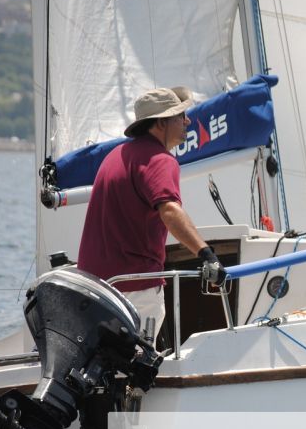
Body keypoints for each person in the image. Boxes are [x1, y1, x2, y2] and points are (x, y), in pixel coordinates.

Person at [78, 87, 226, 340]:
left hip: (94, 287)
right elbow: (169, 210)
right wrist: (207, 255)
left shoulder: (115, 157)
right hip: (136, 287)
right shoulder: (160, 160)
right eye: (180, 116)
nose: (188, 121)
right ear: (160, 123)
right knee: (137, 366)